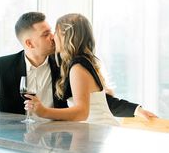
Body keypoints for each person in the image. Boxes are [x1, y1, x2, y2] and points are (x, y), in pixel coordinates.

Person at [0, 12, 156, 121]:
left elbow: (92, 100)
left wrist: (136, 110)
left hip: (58, 141)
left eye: (52, 31)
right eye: (45, 34)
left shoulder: (65, 64)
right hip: (16, 145)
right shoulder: (5, 66)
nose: (53, 37)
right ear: (29, 44)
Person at [24, 13, 156, 124]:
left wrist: (44, 111)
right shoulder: (79, 62)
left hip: (97, 130)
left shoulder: (77, 66)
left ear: (67, 36)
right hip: (91, 130)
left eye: (56, 32)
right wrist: (137, 110)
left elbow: (82, 112)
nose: (53, 37)